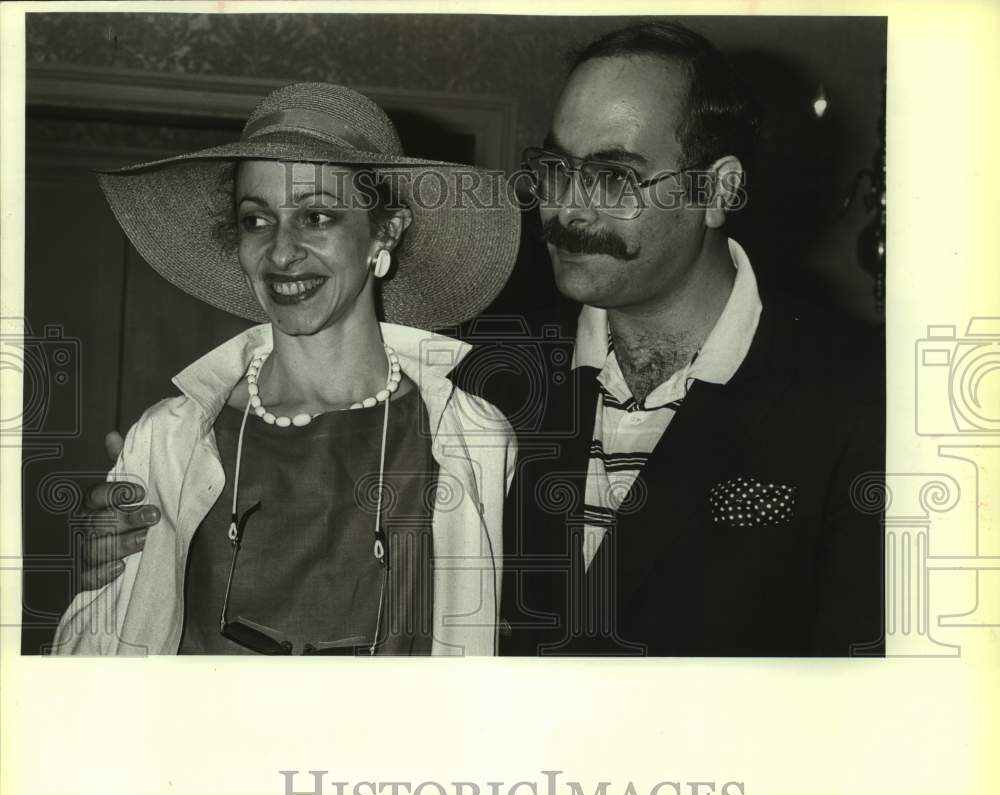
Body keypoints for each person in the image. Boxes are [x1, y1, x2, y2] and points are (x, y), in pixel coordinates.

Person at [456, 21, 885, 656]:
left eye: (613, 177)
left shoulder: (864, 398)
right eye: (554, 169)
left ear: (718, 190)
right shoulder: (488, 379)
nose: (565, 209)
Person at [53, 82, 520, 656]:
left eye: (316, 216)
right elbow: (97, 663)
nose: (280, 253)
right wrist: (100, 571)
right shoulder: (169, 441)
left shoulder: (474, 440)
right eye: (257, 220)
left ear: (385, 231)